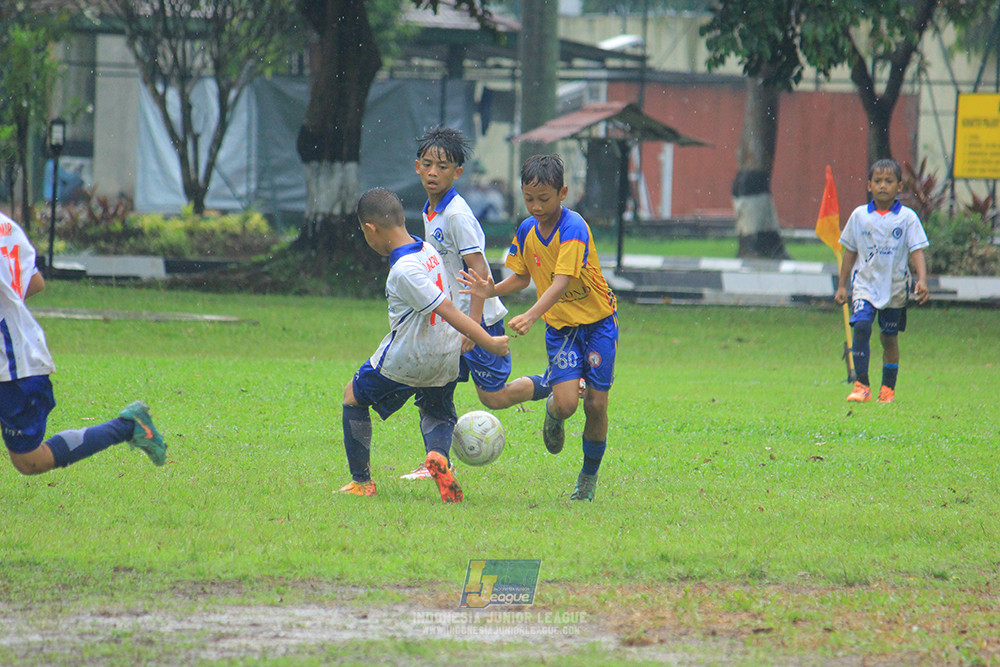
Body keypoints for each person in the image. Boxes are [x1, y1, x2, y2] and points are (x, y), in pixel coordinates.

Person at [459, 154, 617, 502]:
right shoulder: (527, 230)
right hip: (562, 330)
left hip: (598, 325)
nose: (535, 206)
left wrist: (530, 315)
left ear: (562, 193)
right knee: (565, 405)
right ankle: (551, 413)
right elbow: (521, 275)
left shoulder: (573, 228)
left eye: (543, 199)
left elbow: (562, 281)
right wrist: (491, 290)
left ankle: (587, 478)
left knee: (596, 405)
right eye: (528, 199)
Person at [336, 187, 509, 502]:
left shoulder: (404, 271)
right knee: (438, 411)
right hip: (446, 354)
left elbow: (448, 309)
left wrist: (489, 342)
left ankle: (362, 482)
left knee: (352, 398)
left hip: (408, 357)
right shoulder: (428, 249)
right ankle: (439, 458)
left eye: (364, 232)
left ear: (371, 228)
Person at [403, 127, 550, 481]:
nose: (434, 172)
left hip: (476, 319)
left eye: (443, 166)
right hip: (451, 318)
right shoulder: (430, 209)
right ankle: (436, 461)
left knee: (494, 397)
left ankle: (558, 381)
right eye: (427, 164)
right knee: (433, 388)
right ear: (417, 168)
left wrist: (473, 326)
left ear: (458, 172)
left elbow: (480, 274)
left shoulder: (457, 215)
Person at [1, 211, 166, 475]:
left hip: (11, 362)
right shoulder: (6, 225)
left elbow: (33, 282)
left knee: (31, 461)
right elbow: (34, 281)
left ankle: (128, 426)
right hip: (16, 344)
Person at [835, 158, 930, 403]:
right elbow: (850, 252)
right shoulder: (859, 216)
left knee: (889, 338)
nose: (883, 186)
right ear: (869, 185)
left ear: (899, 186)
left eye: (889, 181)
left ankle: (887, 389)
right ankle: (861, 385)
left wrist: (922, 280)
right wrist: (842, 285)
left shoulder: (907, 218)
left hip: (895, 287)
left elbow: (917, 249)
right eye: (877, 181)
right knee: (862, 327)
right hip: (864, 285)